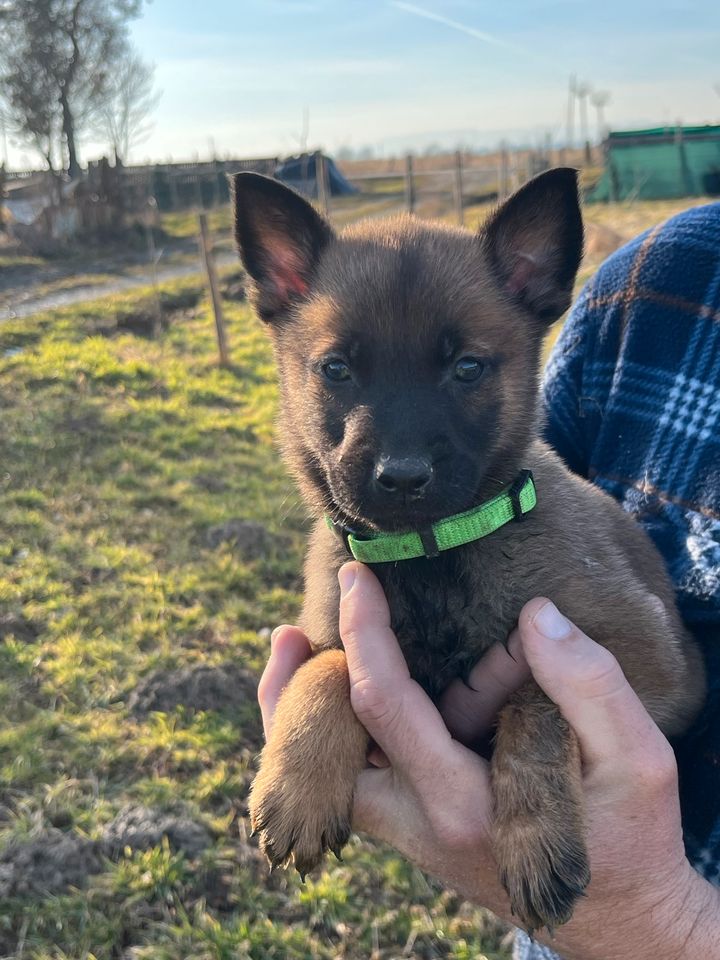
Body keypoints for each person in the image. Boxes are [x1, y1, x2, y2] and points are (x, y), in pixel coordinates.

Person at [258, 201, 720, 959]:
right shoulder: (340, 557)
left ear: (529, 289)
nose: (398, 457)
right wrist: (323, 697)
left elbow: (669, 675)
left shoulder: (549, 533)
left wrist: (538, 738)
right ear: (284, 289)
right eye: (339, 371)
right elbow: (338, 668)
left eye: (466, 368)